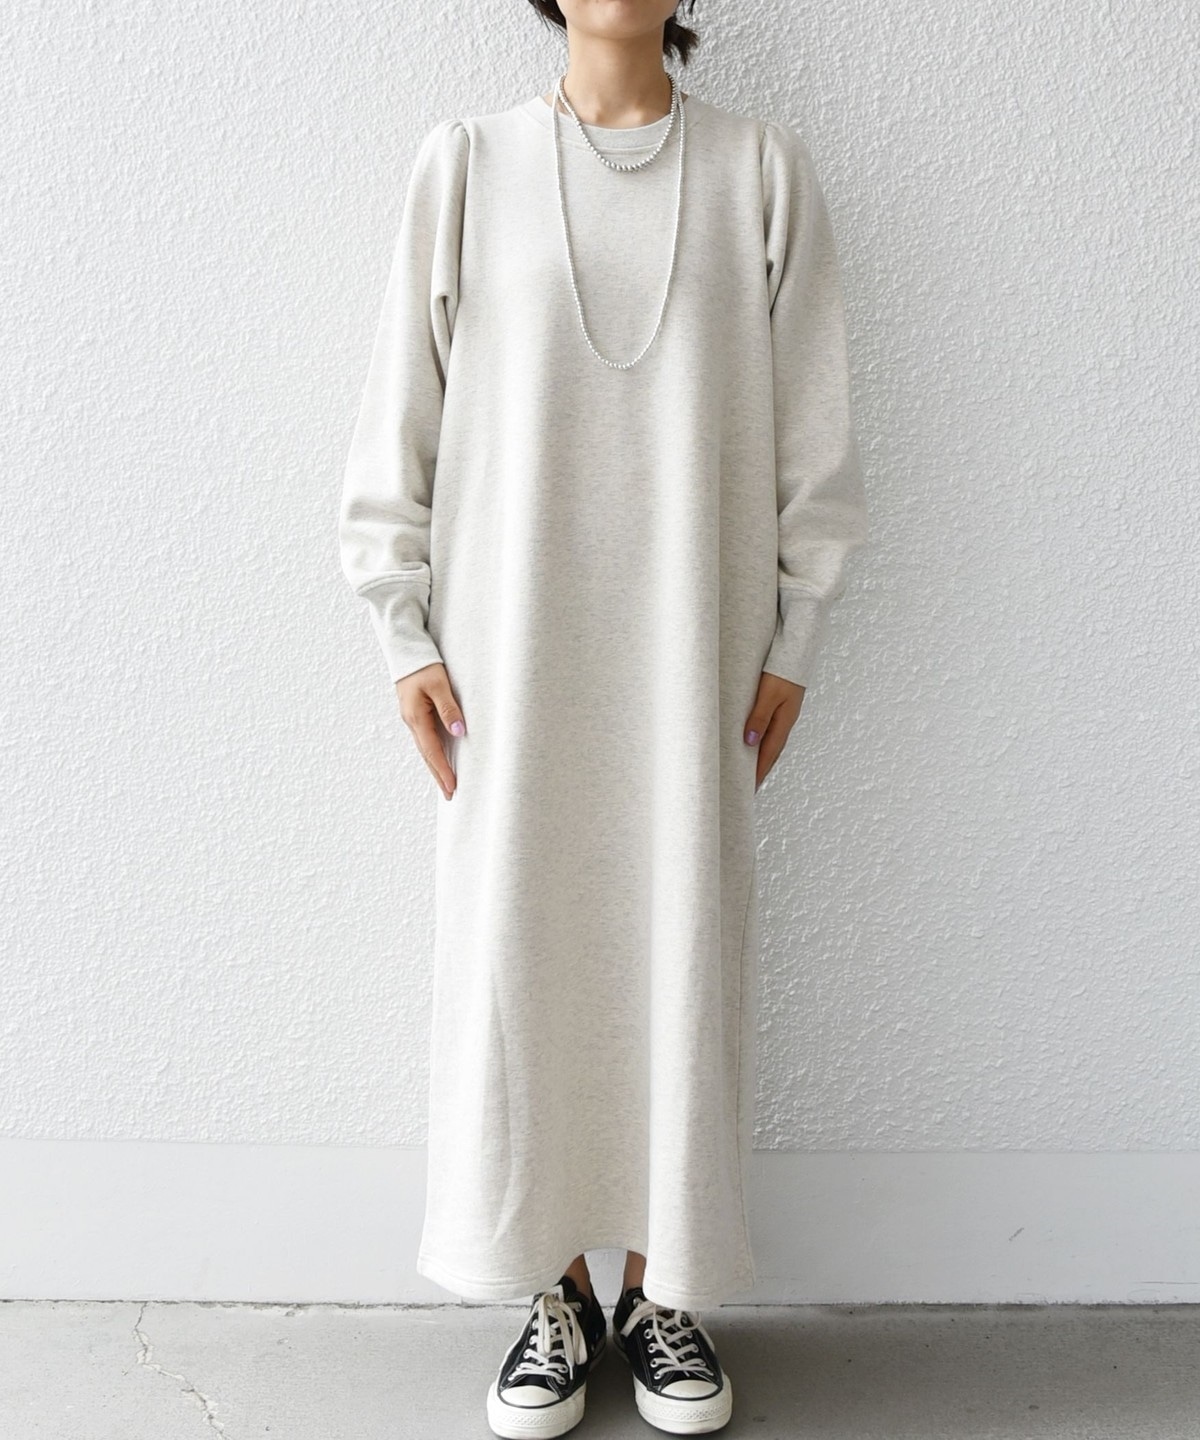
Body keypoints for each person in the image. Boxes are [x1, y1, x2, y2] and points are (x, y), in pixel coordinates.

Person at [337, 1, 868, 1434]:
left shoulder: (761, 173)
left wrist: (797, 631)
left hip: (695, 652)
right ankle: (553, 1290)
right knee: (522, 950)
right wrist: (402, 628)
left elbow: (815, 435)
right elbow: (401, 416)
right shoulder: (466, 165)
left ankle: (660, 1287)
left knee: (680, 945)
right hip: (509, 654)